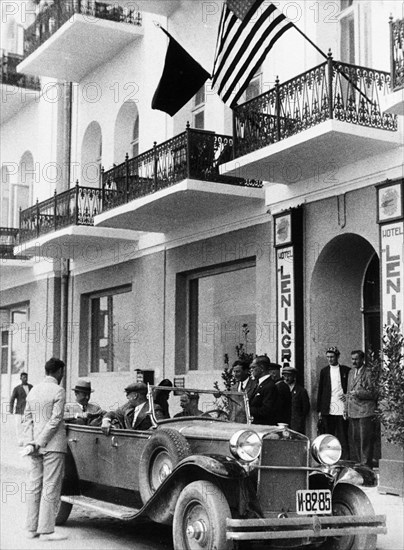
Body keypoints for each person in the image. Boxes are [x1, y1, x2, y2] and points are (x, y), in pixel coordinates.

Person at [22, 357, 67, 541]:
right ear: (58, 372)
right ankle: (47, 531)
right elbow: (55, 420)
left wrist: (30, 442)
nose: (62, 375)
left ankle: (31, 529)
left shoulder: (33, 391)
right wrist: (40, 442)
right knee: (51, 487)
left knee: (34, 486)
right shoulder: (59, 390)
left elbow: (27, 419)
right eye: (62, 372)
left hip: (35, 446)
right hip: (53, 445)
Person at [346, 350, 378, 468]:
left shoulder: (368, 372)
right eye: (352, 359)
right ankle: (360, 463)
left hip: (365, 411)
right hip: (353, 411)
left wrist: (358, 393)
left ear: (362, 359)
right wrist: (346, 409)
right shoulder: (351, 373)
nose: (354, 361)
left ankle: (366, 464)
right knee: (356, 439)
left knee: (365, 439)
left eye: (356, 359)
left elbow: (374, 393)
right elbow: (348, 392)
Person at [317, 346, 350, 459]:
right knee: (328, 435)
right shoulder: (324, 371)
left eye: (332, 357)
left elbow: (349, 388)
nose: (330, 359)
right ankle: (329, 458)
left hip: (341, 408)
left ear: (337, 357)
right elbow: (320, 390)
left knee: (342, 434)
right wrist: (320, 410)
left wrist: (347, 397)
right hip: (328, 408)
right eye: (328, 357)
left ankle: (344, 458)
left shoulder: (346, 370)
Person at [279, 365, 310, 434]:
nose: (286, 378)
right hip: (283, 423)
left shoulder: (301, 391)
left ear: (294, 376)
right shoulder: (279, 388)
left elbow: (305, 408)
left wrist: (299, 419)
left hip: (296, 425)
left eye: (289, 376)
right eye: (285, 376)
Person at [249, 356, 279, 425]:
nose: (251, 370)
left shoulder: (269, 386)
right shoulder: (259, 384)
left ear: (262, 368)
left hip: (264, 426)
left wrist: (247, 409)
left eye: (253, 367)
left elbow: (266, 410)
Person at [9, 372, 33, 446]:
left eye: (26, 377)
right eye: (23, 377)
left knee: (28, 425)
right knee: (19, 426)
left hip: (28, 410)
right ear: (20, 378)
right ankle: (20, 440)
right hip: (19, 410)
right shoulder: (17, 388)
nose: (25, 379)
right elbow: (12, 399)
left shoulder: (31, 387)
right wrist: (11, 409)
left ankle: (28, 440)